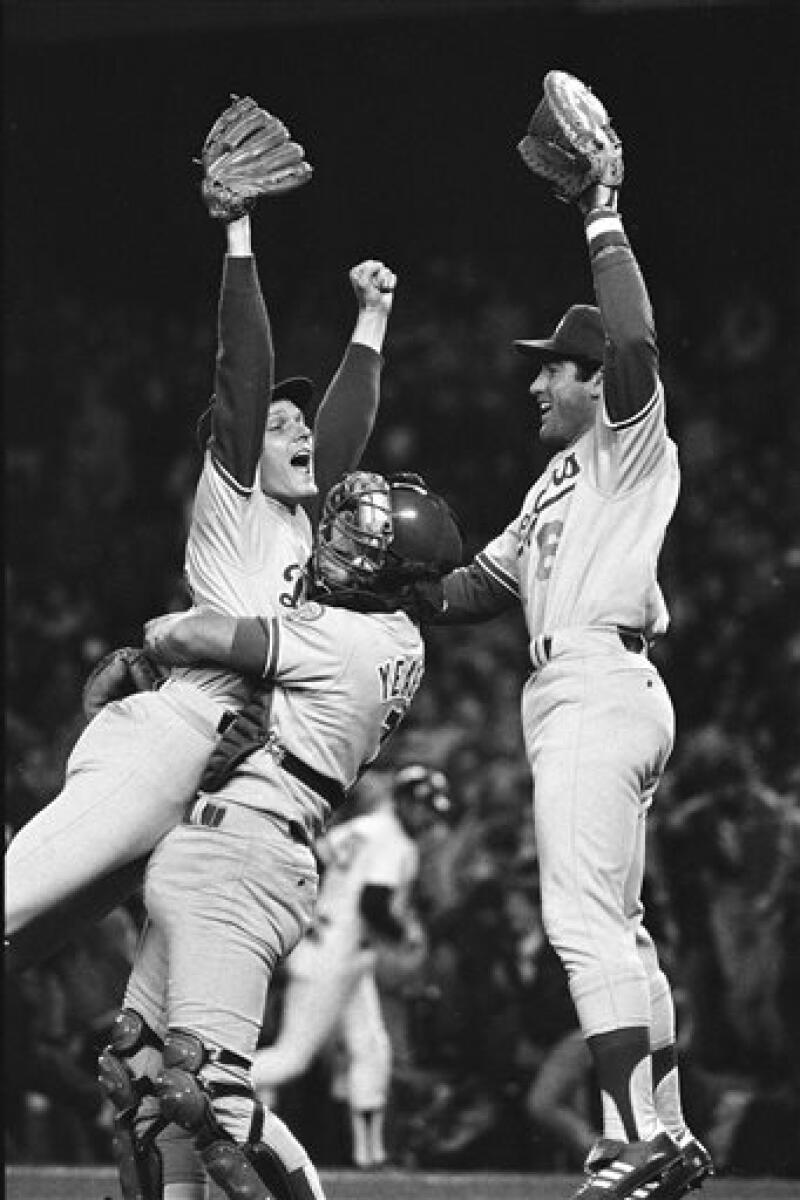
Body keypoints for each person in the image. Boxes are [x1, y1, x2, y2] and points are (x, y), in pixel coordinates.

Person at [4, 98, 396, 967]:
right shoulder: (237, 499)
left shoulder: (295, 523)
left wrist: (370, 321)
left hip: (208, 769)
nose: (301, 435)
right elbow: (243, 375)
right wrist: (241, 236)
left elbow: (340, 435)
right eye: (282, 425)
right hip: (171, 741)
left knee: (28, 948)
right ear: (238, 443)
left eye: (301, 426)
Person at [429, 107, 713, 1198]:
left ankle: (631, 1137)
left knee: (578, 922)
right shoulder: (552, 480)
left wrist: (601, 212)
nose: (535, 383)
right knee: (620, 929)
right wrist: (380, 586)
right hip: (579, 688)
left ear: (592, 381)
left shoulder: (626, 442)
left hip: (597, 680)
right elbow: (478, 589)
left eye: (552, 368)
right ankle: (671, 1133)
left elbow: (635, 340)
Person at [97, 471, 463, 1200]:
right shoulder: (383, 633)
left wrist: (163, 637)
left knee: (211, 1094)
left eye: (359, 540)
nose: (334, 544)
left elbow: (189, 632)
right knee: (136, 1072)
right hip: (223, 844)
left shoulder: (352, 637)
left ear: (392, 570)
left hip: (245, 851)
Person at [251, 761, 450, 1170]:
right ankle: (210, 1087)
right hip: (331, 958)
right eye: (424, 807)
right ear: (406, 802)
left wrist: (319, 910)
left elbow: (313, 857)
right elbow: (373, 905)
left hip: (344, 955)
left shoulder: (367, 827)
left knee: (371, 1049)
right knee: (291, 1058)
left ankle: (371, 1156)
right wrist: (406, 934)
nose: (428, 817)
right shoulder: (394, 841)